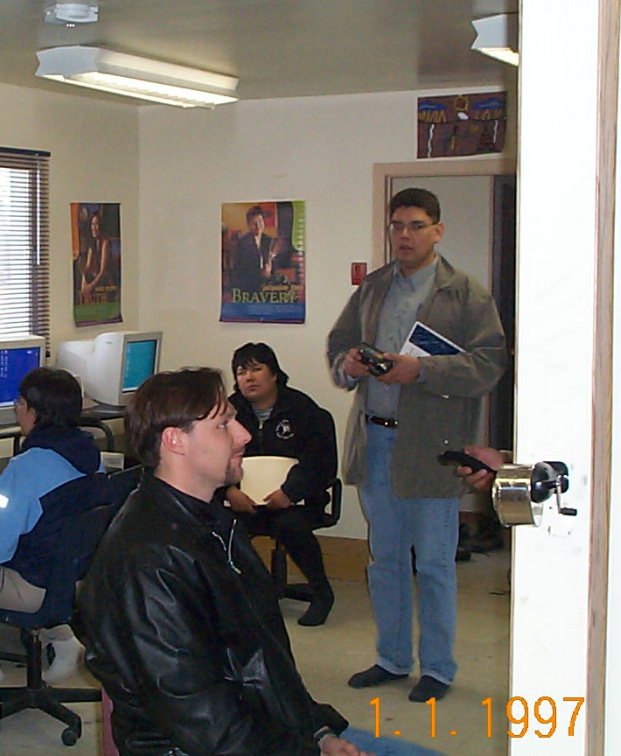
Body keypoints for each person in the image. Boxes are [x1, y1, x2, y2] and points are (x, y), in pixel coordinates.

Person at [76, 368, 370, 756]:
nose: (244, 434)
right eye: (223, 424)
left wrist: (316, 732)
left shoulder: (216, 524)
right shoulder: (150, 562)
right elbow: (204, 722)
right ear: (175, 441)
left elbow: (263, 660)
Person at [326, 187, 507, 703]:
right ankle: (392, 658)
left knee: (431, 563)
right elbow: (339, 346)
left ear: (437, 231)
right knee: (385, 560)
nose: (404, 235)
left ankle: (439, 669)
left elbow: (489, 364)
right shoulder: (374, 288)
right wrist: (351, 365)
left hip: (432, 447)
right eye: (397, 225)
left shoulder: (465, 293)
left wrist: (422, 370)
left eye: (416, 226)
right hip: (376, 439)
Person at [0, 366, 103, 684]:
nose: (17, 410)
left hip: (33, 587)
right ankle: (64, 640)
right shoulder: (92, 456)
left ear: (34, 411)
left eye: (19, 403)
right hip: (73, 582)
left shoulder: (25, 468)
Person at [225, 342, 338, 626]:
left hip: (296, 501)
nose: (248, 378)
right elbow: (213, 458)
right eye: (241, 372)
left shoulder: (304, 410)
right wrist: (228, 491)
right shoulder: (228, 412)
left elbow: (321, 464)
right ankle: (251, 590)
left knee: (289, 526)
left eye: (256, 369)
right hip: (243, 500)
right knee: (220, 524)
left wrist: (290, 492)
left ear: (274, 374)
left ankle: (322, 592)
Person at [230, 204, 274, 293]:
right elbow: (240, 270)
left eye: (260, 221)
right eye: (254, 223)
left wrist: (269, 270)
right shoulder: (243, 242)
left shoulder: (269, 240)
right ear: (249, 225)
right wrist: (261, 273)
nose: (258, 226)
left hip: (268, 282)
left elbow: (273, 260)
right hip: (249, 284)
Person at [80, 210, 112, 300]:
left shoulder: (105, 243)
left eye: (96, 224)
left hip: (105, 281)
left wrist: (91, 286)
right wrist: (83, 281)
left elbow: (102, 271)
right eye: (92, 225)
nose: (94, 228)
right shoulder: (92, 242)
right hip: (97, 279)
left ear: (100, 226)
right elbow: (87, 266)